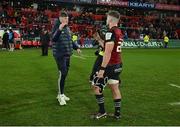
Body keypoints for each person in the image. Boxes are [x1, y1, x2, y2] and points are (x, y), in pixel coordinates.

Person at [91, 10, 123, 120]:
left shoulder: (110, 32)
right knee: (115, 88)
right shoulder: (119, 31)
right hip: (118, 65)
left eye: (107, 18)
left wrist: (102, 68)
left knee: (96, 87)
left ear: (110, 19)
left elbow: (107, 52)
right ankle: (117, 114)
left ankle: (102, 111)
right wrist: (99, 39)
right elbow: (108, 47)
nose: (106, 20)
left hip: (109, 66)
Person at [52, 11, 81, 106]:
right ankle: (60, 96)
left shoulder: (67, 28)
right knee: (62, 73)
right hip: (60, 55)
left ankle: (62, 93)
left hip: (68, 54)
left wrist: (76, 47)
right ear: (61, 18)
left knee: (64, 74)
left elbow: (70, 40)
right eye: (66, 19)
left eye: (68, 19)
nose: (68, 20)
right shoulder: (57, 26)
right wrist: (59, 29)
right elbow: (54, 39)